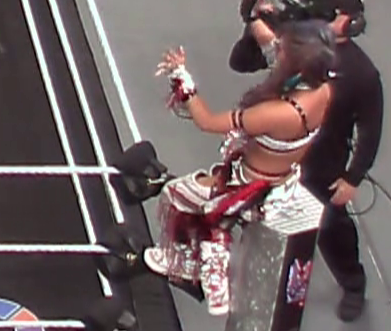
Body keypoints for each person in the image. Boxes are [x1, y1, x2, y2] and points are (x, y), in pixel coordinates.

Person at [144, 22, 336, 315]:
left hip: (246, 183)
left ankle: (190, 264)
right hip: (281, 176)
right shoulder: (323, 91)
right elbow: (271, 44)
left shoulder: (275, 114)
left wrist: (182, 77)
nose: (276, 50)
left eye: (282, 50)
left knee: (177, 195)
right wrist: (256, 16)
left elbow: (207, 122)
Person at [228, 0, 380, 321]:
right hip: (277, 153)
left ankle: (353, 284)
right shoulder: (297, 45)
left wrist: (353, 177)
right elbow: (241, 62)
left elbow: (371, 129)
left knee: (332, 229)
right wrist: (252, 24)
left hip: (322, 165)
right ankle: (260, 276)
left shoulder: (362, 74)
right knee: (257, 214)